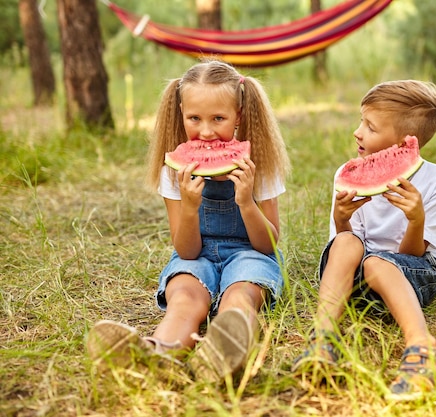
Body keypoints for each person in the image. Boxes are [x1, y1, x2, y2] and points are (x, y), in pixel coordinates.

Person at [86, 59, 290, 382]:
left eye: (218, 119)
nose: (206, 131)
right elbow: (186, 249)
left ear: (238, 115)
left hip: (251, 254)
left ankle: (224, 354)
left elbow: (267, 244)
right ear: (180, 111)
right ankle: (156, 352)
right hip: (197, 254)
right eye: (194, 118)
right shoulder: (174, 168)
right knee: (184, 298)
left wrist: (247, 201)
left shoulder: (259, 163)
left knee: (239, 299)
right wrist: (190, 207)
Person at [292, 80, 436, 400]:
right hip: (354, 278)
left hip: (416, 273)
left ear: (405, 143)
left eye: (369, 126)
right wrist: (342, 218)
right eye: (360, 121)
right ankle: (322, 339)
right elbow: (343, 244)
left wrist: (416, 219)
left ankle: (423, 345)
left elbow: (414, 255)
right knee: (348, 244)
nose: (357, 132)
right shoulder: (347, 172)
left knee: (378, 263)